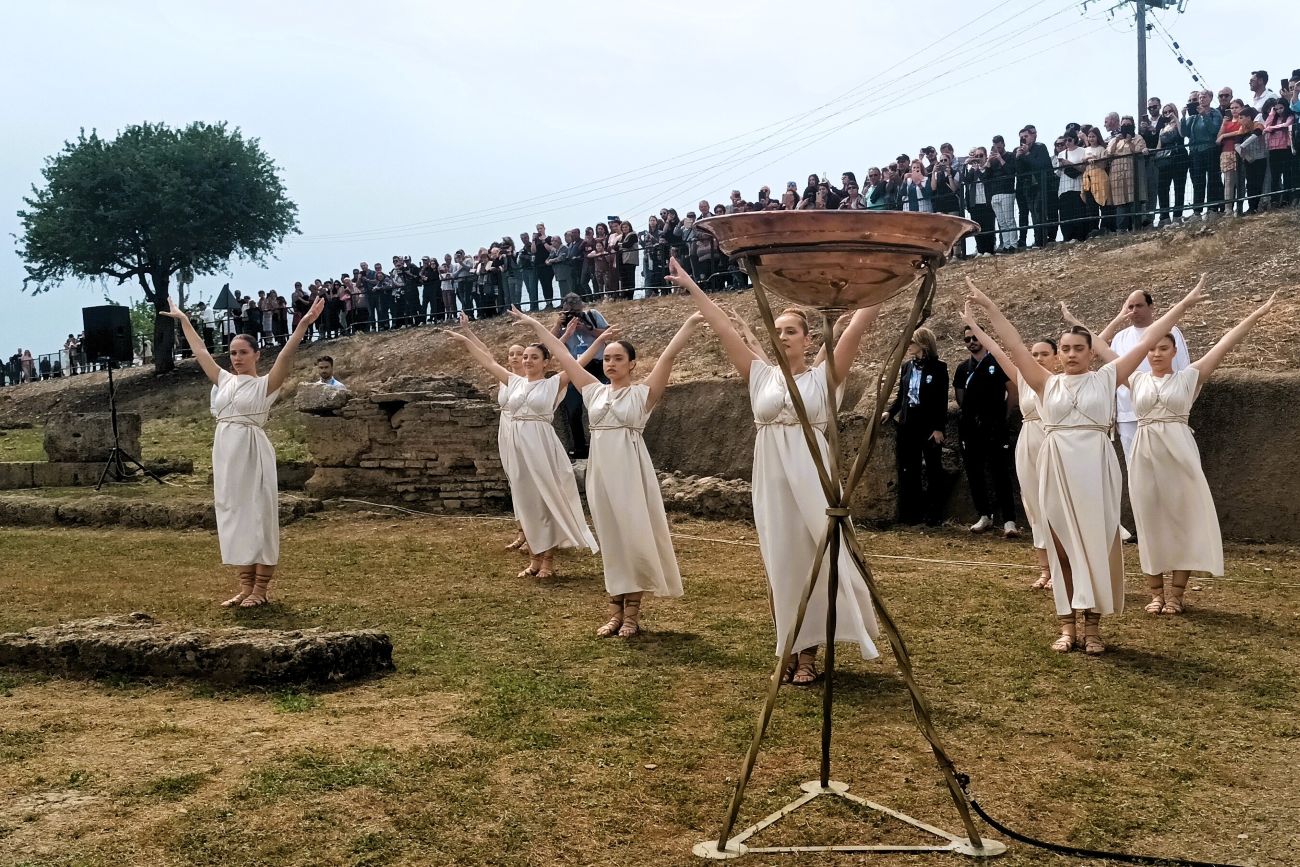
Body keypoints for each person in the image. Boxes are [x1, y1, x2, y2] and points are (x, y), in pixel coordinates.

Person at [667, 257, 881, 686]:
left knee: (816, 561)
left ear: (807, 339)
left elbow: (859, 324)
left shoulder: (824, 377)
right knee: (780, 561)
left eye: (791, 331)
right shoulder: (760, 375)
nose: (782, 336)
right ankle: (788, 644)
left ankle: (809, 655)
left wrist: (885, 281)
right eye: (778, 330)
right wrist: (692, 285)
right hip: (770, 476)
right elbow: (723, 328)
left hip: (813, 474)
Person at [963, 277, 1205, 654]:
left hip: (1096, 467)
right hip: (1056, 466)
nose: (1072, 354)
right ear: (1058, 354)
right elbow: (1010, 345)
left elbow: (1145, 340)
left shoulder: (1108, 377)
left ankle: (1092, 628)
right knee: (1061, 548)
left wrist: (1185, 303)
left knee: (1094, 546)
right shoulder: (1044, 382)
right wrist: (989, 307)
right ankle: (1066, 626)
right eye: (1065, 349)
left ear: (1092, 352)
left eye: (1079, 348)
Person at [513, 308, 702, 638]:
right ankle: (614, 611)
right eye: (608, 358)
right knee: (612, 541)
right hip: (601, 475)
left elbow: (669, 357)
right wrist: (536, 327)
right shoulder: (594, 391)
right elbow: (562, 355)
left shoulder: (643, 394)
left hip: (631, 473)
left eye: (618, 358)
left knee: (633, 538)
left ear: (632, 364)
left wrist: (690, 323)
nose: (611, 363)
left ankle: (632, 614)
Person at [160, 293, 324, 607]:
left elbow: (286, 358)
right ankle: (245, 586)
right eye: (233, 353)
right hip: (225, 453)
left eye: (243, 352)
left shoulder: (266, 384)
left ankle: (261, 589)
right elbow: (200, 351)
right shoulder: (222, 380)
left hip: (252, 451)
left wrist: (302, 325)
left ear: (256, 355)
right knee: (233, 514)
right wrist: (184, 321)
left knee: (258, 514)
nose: (236, 358)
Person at [1131, 293, 1275, 616]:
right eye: (1151, 348)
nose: (1156, 353)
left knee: (1183, 519)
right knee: (1149, 519)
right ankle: (1155, 593)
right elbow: (1099, 348)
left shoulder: (1188, 377)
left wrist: (1257, 315)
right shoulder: (1134, 378)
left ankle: (1176, 596)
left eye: (1163, 348)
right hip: (1144, 454)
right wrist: (1082, 323)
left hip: (1180, 454)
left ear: (1175, 350)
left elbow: (1224, 345)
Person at [445, 318, 597, 579]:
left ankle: (548, 560)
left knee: (544, 499)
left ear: (545, 362)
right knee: (525, 500)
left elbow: (577, 362)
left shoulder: (554, 382)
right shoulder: (513, 381)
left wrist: (600, 341)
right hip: (516, 445)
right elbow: (489, 362)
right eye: (525, 357)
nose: (527, 361)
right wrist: (466, 340)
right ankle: (534, 559)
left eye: (534, 357)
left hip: (542, 446)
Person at [1096, 291, 1191, 464]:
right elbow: (1114, 371)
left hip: (1165, 412)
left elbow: (1183, 369)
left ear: (1151, 307)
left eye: (1139, 305)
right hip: (1128, 414)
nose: (1134, 310)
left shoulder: (1171, 331)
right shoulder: (1120, 337)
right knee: (1136, 467)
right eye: (1130, 307)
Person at [954, 323, 1019, 538]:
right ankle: (984, 515)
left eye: (975, 337)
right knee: (975, 473)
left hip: (996, 426)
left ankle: (1009, 520)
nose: (972, 341)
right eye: (967, 339)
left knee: (1000, 472)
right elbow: (961, 398)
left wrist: (1002, 417)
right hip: (971, 429)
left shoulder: (998, 362)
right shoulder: (963, 368)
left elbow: (1013, 391)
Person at [884, 327, 949, 526]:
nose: (908, 346)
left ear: (923, 343)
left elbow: (941, 400)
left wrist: (938, 428)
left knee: (932, 469)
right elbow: (902, 395)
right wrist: (890, 411)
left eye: (911, 342)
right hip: (908, 422)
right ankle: (912, 514)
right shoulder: (907, 367)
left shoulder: (939, 367)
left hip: (928, 424)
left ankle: (934, 514)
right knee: (908, 468)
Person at [551, 293, 609, 461]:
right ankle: (580, 447)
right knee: (573, 407)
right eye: (570, 312)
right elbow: (550, 345)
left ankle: (605, 444)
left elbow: (608, 334)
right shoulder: (562, 326)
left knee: (603, 404)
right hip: (575, 367)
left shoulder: (592, 316)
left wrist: (587, 329)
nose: (574, 316)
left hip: (597, 365)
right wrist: (560, 326)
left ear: (582, 308)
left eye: (576, 311)